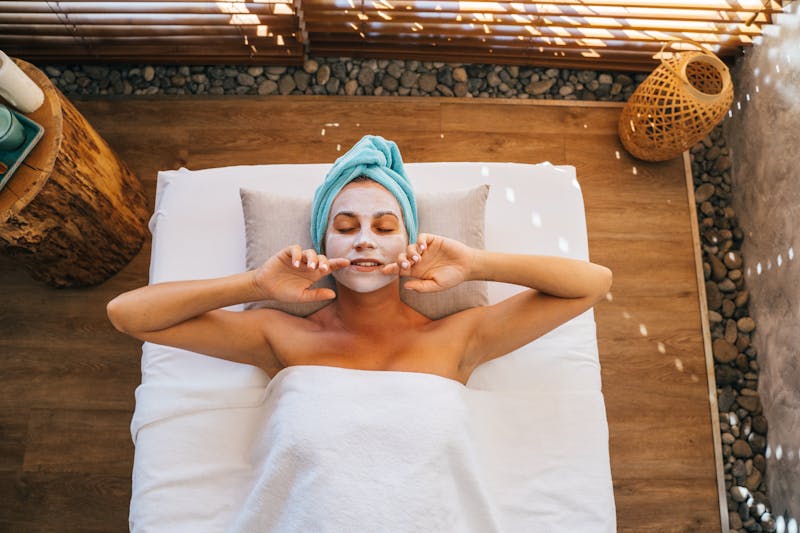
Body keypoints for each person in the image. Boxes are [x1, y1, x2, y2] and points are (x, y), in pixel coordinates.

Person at [107, 135, 612, 386]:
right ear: (323, 247)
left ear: (408, 243)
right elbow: (127, 315)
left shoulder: (459, 337)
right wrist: (253, 284)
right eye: (345, 229)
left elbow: (592, 283)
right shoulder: (279, 336)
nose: (365, 241)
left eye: (385, 228)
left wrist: (476, 264)